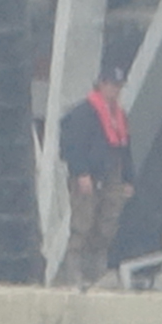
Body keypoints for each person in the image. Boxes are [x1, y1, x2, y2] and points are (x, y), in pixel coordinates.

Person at [57, 64, 133, 288]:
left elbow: (125, 149)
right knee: (83, 222)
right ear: (101, 84)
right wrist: (81, 173)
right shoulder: (83, 113)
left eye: (119, 86)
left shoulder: (119, 116)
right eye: (111, 85)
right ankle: (73, 272)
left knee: (107, 222)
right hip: (88, 175)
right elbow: (73, 146)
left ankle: (97, 270)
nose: (115, 90)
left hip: (112, 175)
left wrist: (129, 179)